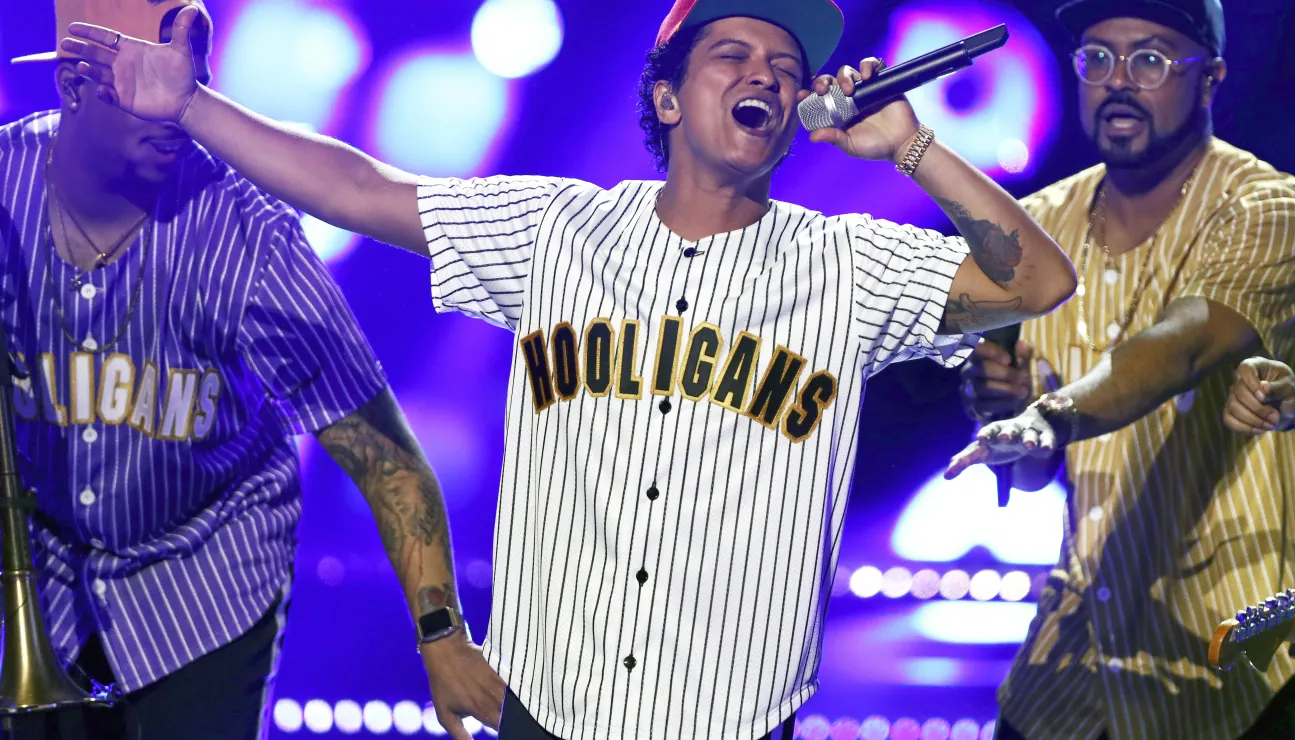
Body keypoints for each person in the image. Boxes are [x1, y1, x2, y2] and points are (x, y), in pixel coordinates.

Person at [60, 0, 1078, 736]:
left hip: (731, 718)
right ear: (667, 97)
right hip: (548, 710)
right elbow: (356, 190)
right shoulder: (557, 229)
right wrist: (190, 105)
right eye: (732, 54)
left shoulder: (847, 264)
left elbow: (1037, 280)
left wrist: (911, 147)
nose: (766, 75)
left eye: (784, 65)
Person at [0, 1, 498, 739]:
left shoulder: (250, 234)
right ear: (75, 84)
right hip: (42, 586)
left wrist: (442, 638)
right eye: (150, 75)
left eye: (193, 69)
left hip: (205, 593)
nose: (177, 97)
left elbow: (386, 459)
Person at [945, 0, 1295, 738]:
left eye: (1149, 59)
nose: (1117, 80)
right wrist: (1011, 415)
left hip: (1225, 662)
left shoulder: (1267, 209)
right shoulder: (1039, 226)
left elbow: (1181, 347)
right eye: (1096, 58)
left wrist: (1048, 415)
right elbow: (1036, 474)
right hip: (1072, 660)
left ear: (1210, 78)